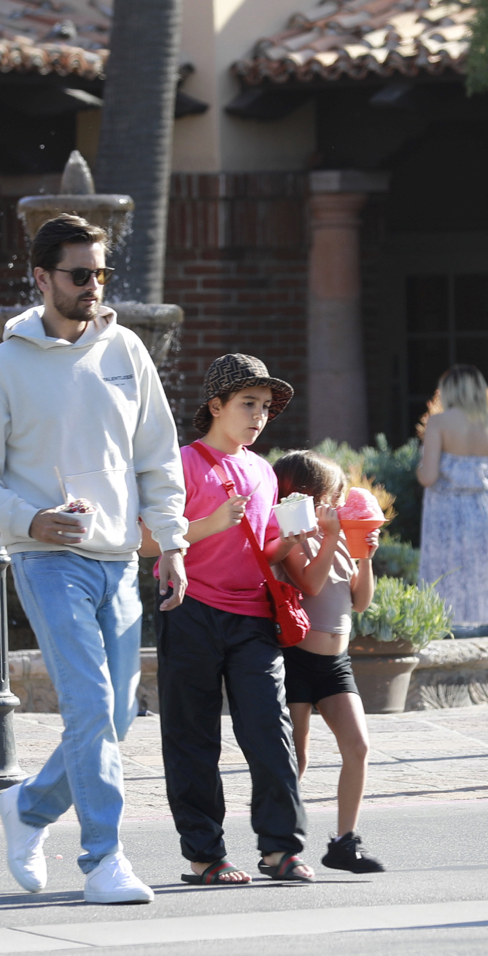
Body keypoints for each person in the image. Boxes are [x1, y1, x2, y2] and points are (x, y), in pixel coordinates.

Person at [0, 213, 189, 905]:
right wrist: (30, 519)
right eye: (79, 274)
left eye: (100, 274)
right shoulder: (4, 365)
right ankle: (103, 858)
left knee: (115, 718)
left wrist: (170, 540)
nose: (93, 287)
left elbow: (156, 457)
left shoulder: (127, 354)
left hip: (119, 562)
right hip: (46, 560)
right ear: (41, 278)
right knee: (88, 708)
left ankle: (27, 808)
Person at [148, 353, 314, 886]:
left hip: (252, 619)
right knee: (192, 738)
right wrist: (210, 522)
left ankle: (280, 850)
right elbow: (149, 540)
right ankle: (205, 856)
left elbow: (260, 552)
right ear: (215, 406)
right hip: (190, 610)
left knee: (271, 731)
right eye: (248, 404)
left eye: (265, 407)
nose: (258, 416)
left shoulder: (263, 472)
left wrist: (289, 542)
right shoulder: (180, 463)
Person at [271, 451, 385, 874]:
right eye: (330, 498)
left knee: (358, 746)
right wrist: (332, 536)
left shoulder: (339, 541)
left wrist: (365, 557)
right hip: (297, 659)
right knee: (295, 760)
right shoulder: (294, 539)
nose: (337, 507)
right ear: (305, 497)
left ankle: (344, 842)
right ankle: (282, 843)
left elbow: (359, 601)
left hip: (336, 664)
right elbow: (310, 583)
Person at [417, 364, 488, 624]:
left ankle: (443, 627)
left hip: (446, 511)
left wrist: (418, 468)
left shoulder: (439, 422)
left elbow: (429, 476)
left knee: (444, 572)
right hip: (482, 512)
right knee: (482, 575)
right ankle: (486, 626)